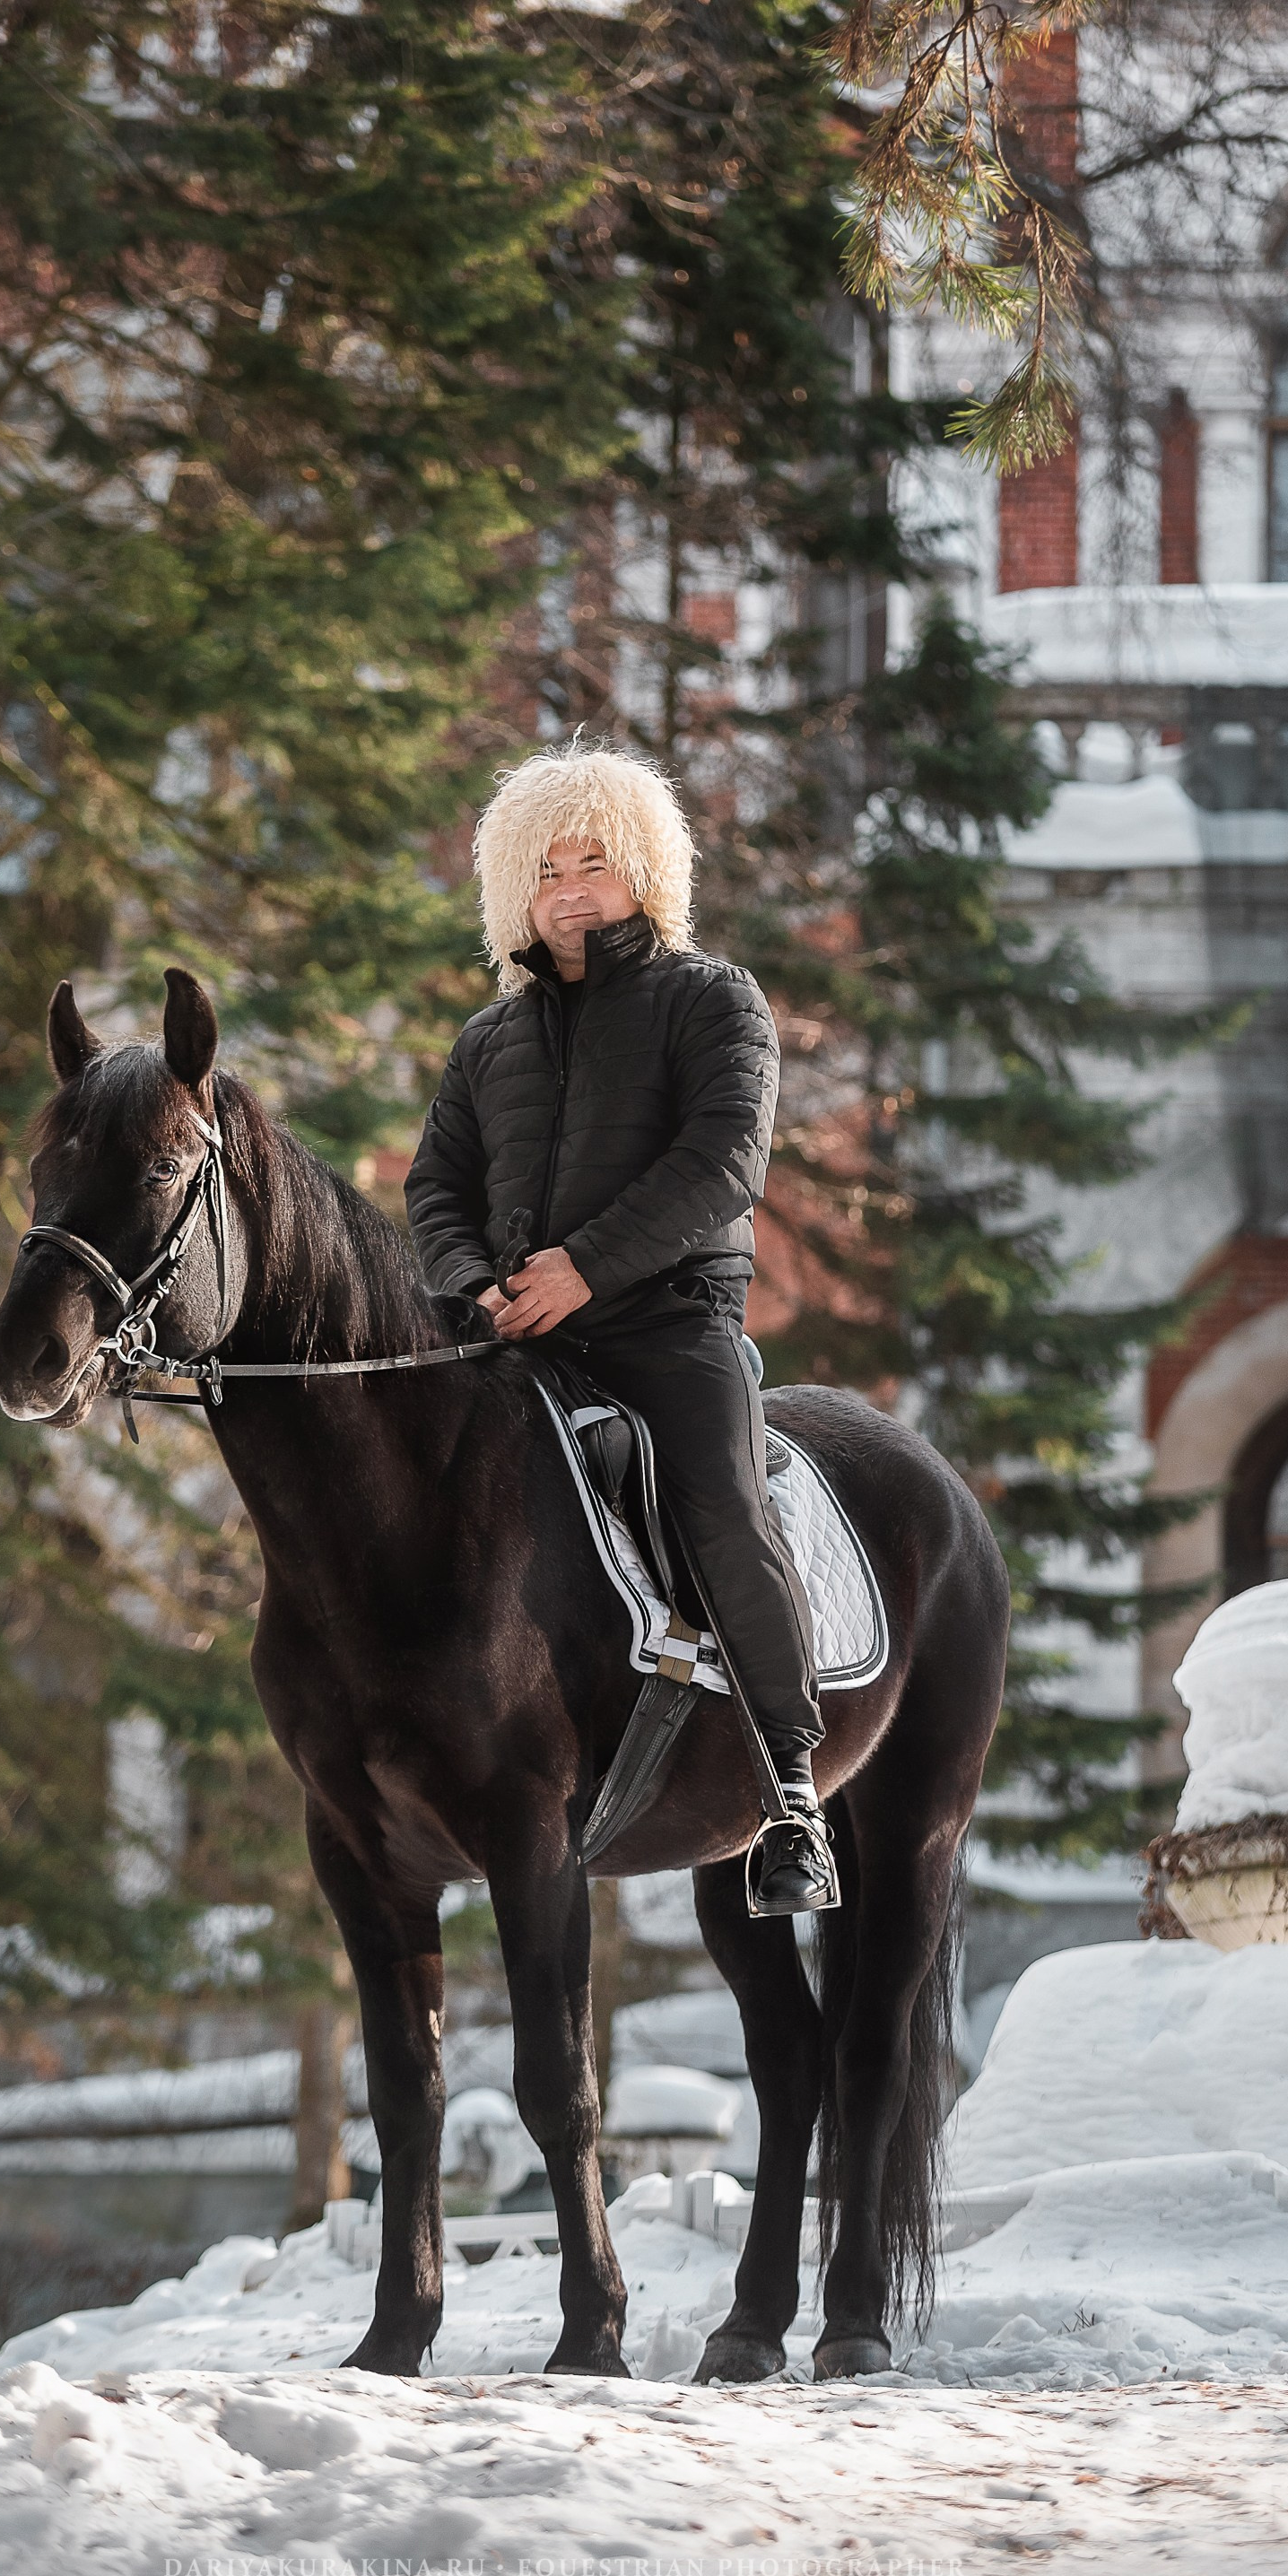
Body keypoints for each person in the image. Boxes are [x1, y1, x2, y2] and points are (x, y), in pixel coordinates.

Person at [405, 744, 838, 1915]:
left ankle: (791, 1789)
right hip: (513, 1338)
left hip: (669, 1326)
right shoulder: (486, 1043)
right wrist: (471, 1286)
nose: (571, 888)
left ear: (645, 867)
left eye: (595, 861)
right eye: (544, 870)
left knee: (719, 1498)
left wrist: (582, 1271)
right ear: (514, 893)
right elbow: (434, 1188)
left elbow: (722, 1164)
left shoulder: (715, 1000)